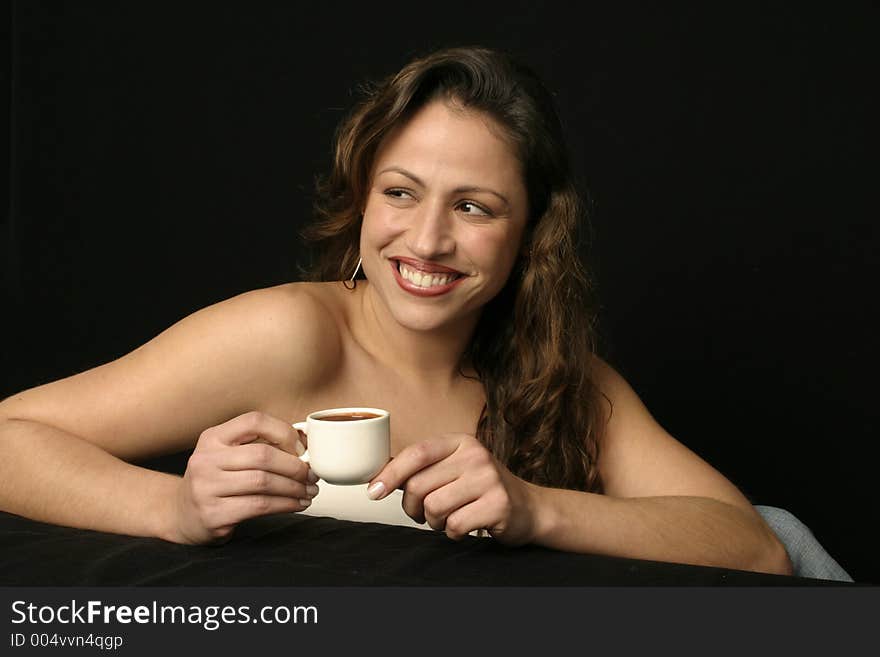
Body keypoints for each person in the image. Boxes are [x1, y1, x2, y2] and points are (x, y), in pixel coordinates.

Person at [0, 46, 792, 575]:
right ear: (363, 198)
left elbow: (757, 546)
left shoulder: (560, 373)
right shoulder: (290, 336)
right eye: (401, 193)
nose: (427, 239)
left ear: (531, 234)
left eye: (475, 207)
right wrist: (171, 507)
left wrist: (535, 508)